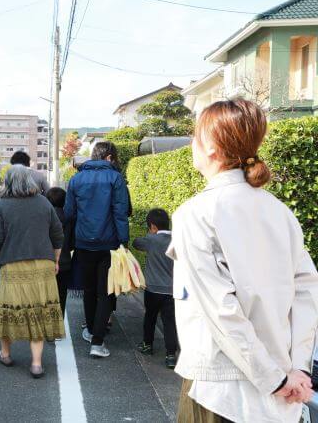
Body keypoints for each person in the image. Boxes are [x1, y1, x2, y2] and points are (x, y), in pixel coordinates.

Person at [170, 99, 318, 422]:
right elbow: (307, 292)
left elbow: (222, 312)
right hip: (280, 394)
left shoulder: (195, 215)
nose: (192, 143)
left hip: (218, 389)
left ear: (210, 146)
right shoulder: (282, 213)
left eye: (195, 135)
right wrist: (297, 369)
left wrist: (277, 380)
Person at [0, 165, 65, 378]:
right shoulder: (43, 202)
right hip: (43, 265)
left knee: (9, 309)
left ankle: (5, 354)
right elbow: (58, 235)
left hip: (13, 265)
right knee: (38, 311)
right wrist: (56, 259)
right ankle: (37, 364)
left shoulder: (3, 205)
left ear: (9, 181)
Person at [64, 141, 129, 358]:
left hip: (83, 242)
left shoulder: (76, 178)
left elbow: (69, 213)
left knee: (89, 290)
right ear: (109, 157)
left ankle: (91, 331)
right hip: (109, 243)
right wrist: (124, 242)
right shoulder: (115, 178)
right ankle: (97, 343)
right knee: (106, 292)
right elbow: (120, 213)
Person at [133, 208, 177, 369]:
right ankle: (171, 355)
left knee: (150, 317)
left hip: (152, 289)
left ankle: (147, 345)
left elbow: (136, 243)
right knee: (169, 321)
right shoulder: (178, 240)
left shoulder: (151, 240)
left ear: (152, 226)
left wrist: (148, 237)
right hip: (172, 290)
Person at [45, 187, 73, 316]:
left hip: (45, 261)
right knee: (62, 293)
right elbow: (73, 242)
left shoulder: (43, 218)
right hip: (65, 262)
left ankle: (46, 321)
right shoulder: (70, 218)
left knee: (45, 293)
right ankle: (58, 323)